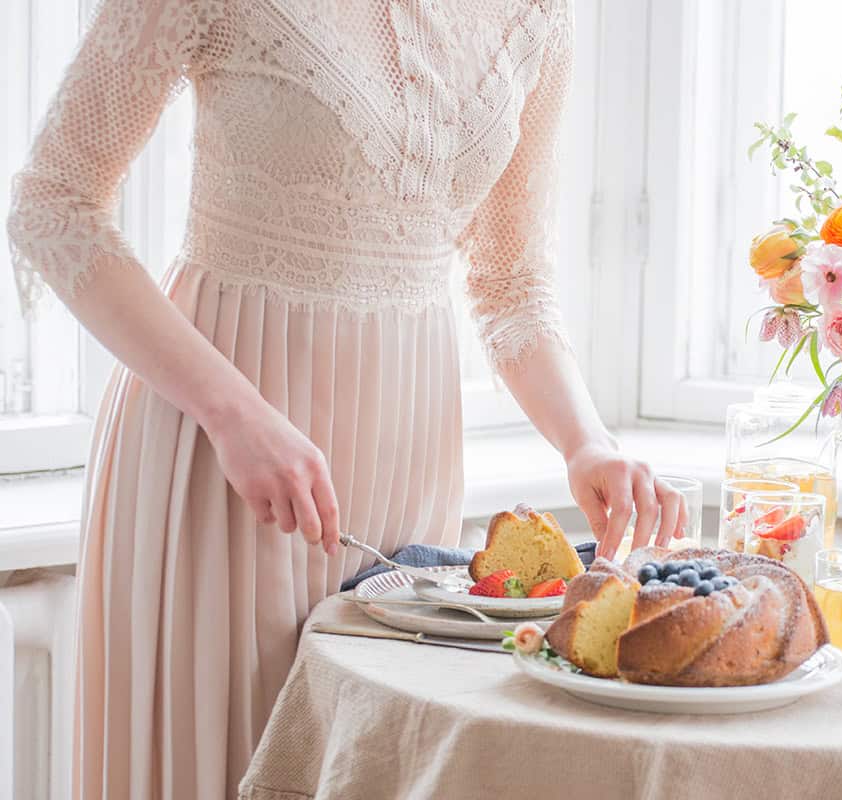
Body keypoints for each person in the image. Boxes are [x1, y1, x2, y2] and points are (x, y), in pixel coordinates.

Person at [5, 1, 683, 797]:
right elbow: (53, 202)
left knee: (376, 761)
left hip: (408, 465)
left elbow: (511, 281)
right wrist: (233, 412)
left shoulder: (537, 16)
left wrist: (585, 442)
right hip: (217, 449)